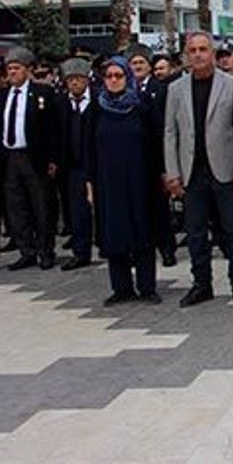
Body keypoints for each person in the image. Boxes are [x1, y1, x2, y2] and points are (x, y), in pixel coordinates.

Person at [164, 32, 233, 307]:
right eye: (193, 50)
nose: (198, 54)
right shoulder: (176, 89)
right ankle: (202, 284)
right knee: (195, 232)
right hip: (192, 171)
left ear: (212, 53)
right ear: (186, 56)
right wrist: (173, 172)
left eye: (203, 49)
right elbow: (170, 132)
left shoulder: (232, 86)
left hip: (225, 170)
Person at [86, 57, 163, 305]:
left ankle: (147, 287)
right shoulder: (96, 108)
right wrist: (89, 183)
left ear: (128, 77)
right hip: (108, 183)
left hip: (140, 180)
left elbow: (157, 142)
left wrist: (162, 174)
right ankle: (121, 287)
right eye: (109, 76)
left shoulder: (142, 106)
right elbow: (88, 148)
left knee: (143, 230)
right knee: (113, 231)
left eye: (118, 75)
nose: (113, 80)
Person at [0, 47, 61, 271]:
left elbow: (53, 128)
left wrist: (53, 158)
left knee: (42, 207)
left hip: (34, 157)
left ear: (28, 69)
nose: (12, 72)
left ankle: (46, 251)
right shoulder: (2, 95)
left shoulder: (43, 93)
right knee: (16, 208)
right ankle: (27, 251)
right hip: (10, 157)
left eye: (17, 68)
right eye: (9, 69)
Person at [130, 44, 177, 267]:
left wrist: (167, 166)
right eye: (134, 63)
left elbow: (167, 127)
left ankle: (166, 249)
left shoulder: (162, 89)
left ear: (149, 66)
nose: (137, 66)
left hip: (156, 158)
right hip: (132, 161)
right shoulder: (125, 91)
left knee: (159, 209)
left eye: (141, 62)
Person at [59, 58, 95, 271]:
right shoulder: (62, 103)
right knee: (77, 210)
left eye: (78, 78)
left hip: (98, 163)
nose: (74, 83)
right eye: (70, 79)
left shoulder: (98, 100)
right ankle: (81, 252)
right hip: (74, 165)